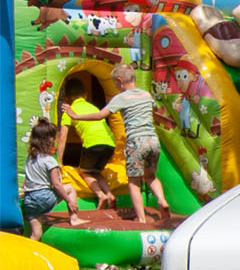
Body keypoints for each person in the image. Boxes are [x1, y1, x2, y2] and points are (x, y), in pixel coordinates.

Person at [63, 64, 165, 222]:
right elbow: (156, 113)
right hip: (153, 140)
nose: (116, 87)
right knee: (151, 176)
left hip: (136, 142)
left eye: (115, 84)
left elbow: (100, 115)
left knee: (134, 182)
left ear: (120, 81)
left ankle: (141, 219)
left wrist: (75, 116)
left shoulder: (121, 98)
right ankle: (162, 200)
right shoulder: (146, 95)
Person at [19, 120, 86, 239]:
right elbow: (56, 184)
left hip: (30, 201)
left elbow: (30, 180)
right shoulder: (49, 160)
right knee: (69, 189)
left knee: (36, 234)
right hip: (43, 198)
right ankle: (74, 219)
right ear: (50, 140)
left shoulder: (30, 158)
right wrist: (69, 201)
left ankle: (28, 254)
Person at [57, 76, 116, 209]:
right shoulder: (93, 108)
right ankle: (110, 194)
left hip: (92, 144)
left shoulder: (69, 111)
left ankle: (100, 195)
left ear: (66, 98)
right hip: (110, 144)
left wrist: (59, 161)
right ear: (86, 94)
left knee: (85, 172)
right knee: (96, 172)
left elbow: (62, 138)